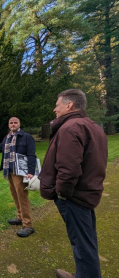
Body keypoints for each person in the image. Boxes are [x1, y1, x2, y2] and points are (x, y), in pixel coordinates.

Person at [39, 89, 108, 278]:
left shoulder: (70, 128)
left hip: (75, 198)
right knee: (86, 241)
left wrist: (62, 193)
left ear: (69, 105)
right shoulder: (92, 126)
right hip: (87, 193)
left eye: (57, 104)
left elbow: (68, 170)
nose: (54, 109)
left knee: (82, 245)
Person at [0, 117, 36, 237]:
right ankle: (20, 217)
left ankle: (28, 225)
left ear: (19, 124)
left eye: (15, 122)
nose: (13, 124)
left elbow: (31, 155)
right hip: (8, 171)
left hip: (20, 172)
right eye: (11, 123)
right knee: (15, 196)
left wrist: (31, 171)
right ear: (8, 125)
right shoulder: (7, 137)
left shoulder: (26, 137)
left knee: (22, 197)